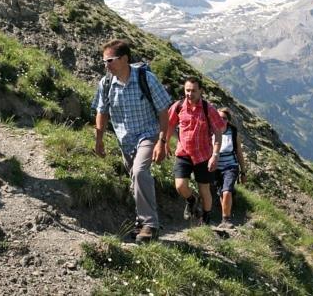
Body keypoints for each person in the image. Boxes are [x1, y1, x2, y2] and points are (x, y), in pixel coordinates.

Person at [92, 39, 172, 243]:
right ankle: (141, 222)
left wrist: (162, 141)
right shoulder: (106, 84)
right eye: (104, 61)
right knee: (135, 179)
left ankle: (150, 225)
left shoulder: (146, 78)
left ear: (125, 59)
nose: (106, 65)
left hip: (148, 135)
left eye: (110, 60)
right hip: (125, 142)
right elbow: (101, 112)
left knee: (139, 171)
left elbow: (164, 111)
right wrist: (99, 140)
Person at [165, 77, 226, 225]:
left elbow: (218, 132)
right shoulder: (178, 106)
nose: (190, 94)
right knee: (180, 185)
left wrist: (215, 155)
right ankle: (192, 199)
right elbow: (170, 124)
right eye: (187, 90)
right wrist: (165, 142)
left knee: (204, 189)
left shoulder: (208, 109)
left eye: (193, 91)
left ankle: (206, 218)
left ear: (200, 91)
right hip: (183, 153)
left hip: (203, 155)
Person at [212, 107, 248, 229]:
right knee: (222, 192)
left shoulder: (233, 132)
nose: (221, 120)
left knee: (226, 191)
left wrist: (243, 172)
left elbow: (239, 153)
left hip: (230, 166)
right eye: (219, 118)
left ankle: (226, 220)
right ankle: (225, 215)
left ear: (228, 120)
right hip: (215, 168)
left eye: (224, 118)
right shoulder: (210, 130)